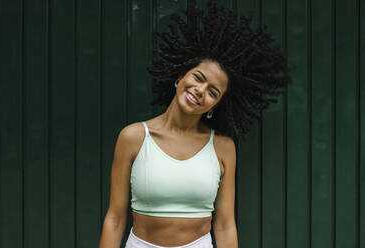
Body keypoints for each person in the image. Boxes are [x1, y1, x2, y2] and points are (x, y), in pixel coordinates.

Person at [98, 0, 294, 247]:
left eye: (213, 92)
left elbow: (224, 224)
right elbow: (115, 218)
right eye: (198, 78)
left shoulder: (223, 147)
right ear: (180, 76)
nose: (200, 91)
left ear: (216, 105)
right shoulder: (133, 137)